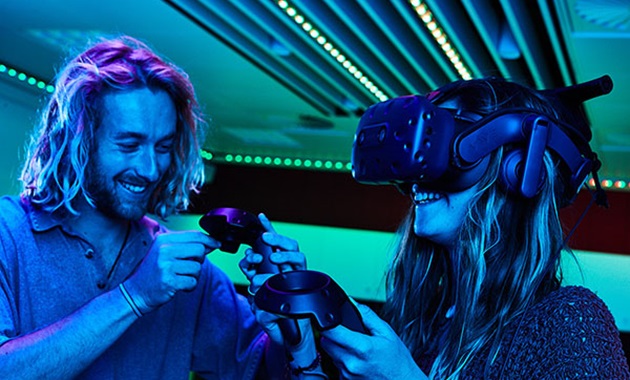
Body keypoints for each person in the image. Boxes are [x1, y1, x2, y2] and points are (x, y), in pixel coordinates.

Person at [243, 77, 630, 379]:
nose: (417, 181)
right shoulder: (423, 322)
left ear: (514, 172)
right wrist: (297, 342)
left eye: (440, 156)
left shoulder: (568, 321)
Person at [0, 35, 306, 379]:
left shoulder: (187, 272)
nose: (150, 170)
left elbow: (261, 370)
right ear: (77, 140)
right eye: (129, 144)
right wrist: (133, 297)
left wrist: (287, 327)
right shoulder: (7, 235)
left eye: (163, 146)